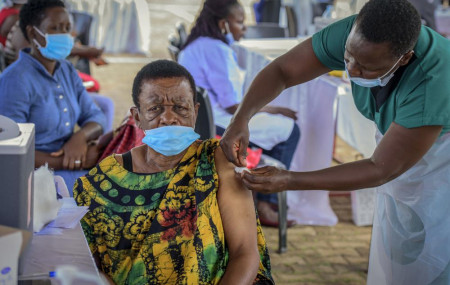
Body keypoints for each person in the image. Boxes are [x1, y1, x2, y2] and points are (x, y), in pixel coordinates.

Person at [220, 0, 450, 284]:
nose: (351, 70)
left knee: (433, 256)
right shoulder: (358, 32)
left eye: (366, 68)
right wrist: (241, 118)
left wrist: (291, 179)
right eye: (348, 57)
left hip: (441, 161)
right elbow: (283, 71)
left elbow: (380, 169)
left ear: (403, 59)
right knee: (397, 247)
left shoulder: (432, 82)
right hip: (399, 156)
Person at [74, 60, 274, 285]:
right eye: (155, 108)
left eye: (180, 107)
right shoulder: (101, 182)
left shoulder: (217, 161)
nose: (168, 118)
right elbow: (87, 265)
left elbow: (245, 253)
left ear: (195, 112)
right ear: (137, 116)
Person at [178, 0, 300, 228]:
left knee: (274, 128)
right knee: (290, 129)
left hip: (200, 122)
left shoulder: (197, 44)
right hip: (218, 124)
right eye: (240, 23)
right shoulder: (218, 50)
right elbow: (234, 106)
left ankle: (253, 191)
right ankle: (267, 202)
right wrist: (274, 108)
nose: (244, 29)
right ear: (224, 24)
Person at [0, 0, 106, 192]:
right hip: (34, 177)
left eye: (66, 28)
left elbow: (96, 116)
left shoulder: (65, 69)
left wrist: (80, 138)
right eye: (54, 28)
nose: (63, 35)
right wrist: (68, 161)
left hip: (72, 165)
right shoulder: (15, 80)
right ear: (33, 33)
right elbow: (11, 150)